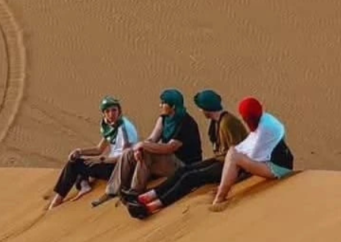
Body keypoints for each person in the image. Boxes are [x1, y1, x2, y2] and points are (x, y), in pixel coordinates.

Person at [124, 90, 247, 219]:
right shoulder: (217, 121)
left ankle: (153, 206)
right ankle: (146, 197)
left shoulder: (227, 123)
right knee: (184, 171)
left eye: (201, 108)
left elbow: (237, 152)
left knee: (190, 177)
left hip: (230, 165)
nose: (201, 111)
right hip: (222, 160)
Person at [92, 88, 202, 206]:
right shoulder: (164, 118)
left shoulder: (186, 123)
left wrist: (143, 146)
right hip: (167, 160)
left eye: (163, 103)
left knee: (147, 153)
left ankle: (134, 192)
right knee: (127, 153)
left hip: (183, 165)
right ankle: (113, 191)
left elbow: (169, 148)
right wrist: (139, 148)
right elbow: (152, 138)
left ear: (173, 106)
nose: (160, 105)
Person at [49, 97, 139, 208]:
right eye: (107, 111)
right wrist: (80, 151)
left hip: (119, 169)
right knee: (77, 159)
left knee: (74, 164)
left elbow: (126, 156)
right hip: (110, 162)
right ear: (104, 114)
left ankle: (57, 200)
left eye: (114, 110)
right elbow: (99, 149)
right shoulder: (113, 126)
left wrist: (102, 159)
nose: (111, 114)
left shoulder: (125, 128)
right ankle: (84, 184)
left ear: (119, 111)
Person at [210, 97, 294, 211]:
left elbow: (254, 154)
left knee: (234, 157)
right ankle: (222, 188)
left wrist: (237, 156)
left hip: (279, 169)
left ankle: (219, 197)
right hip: (278, 161)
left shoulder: (264, 128)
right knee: (233, 152)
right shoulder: (266, 119)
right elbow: (250, 144)